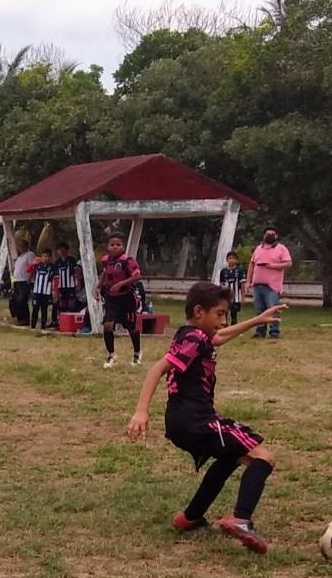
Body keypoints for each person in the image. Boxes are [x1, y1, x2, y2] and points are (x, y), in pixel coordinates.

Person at [126, 282, 288, 553]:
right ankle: (241, 519)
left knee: (228, 456)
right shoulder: (194, 339)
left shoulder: (192, 335)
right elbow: (157, 369)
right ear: (199, 312)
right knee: (263, 457)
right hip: (196, 420)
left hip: (182, 424)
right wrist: (141, 410)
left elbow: (220, 337)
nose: (223, 320)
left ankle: (189, 517)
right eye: (220, 314)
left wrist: (257, 320)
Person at [95, 233, 143, 368]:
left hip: (126, 298)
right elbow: (104, 274)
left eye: (118, 244)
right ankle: (111, 355)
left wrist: (121, 284)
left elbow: (137, 276)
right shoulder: (105, 261)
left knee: (131, 327)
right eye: (112, 245)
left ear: (123, 246)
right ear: (108, 247)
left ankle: (137, 353)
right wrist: (98, 287)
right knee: (108, 324)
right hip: (111, 298)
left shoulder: (128, 261)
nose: (115, 247)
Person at [245, 226, 292, 339]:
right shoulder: (258, 248)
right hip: (257, 285)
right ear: (263, 235)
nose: (269, 236)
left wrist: (272, 266)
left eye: (272, 234)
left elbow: (289, 263)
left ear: (276, 236)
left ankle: (274, 332)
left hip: (272, 286)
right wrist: (248, 281)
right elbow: (251, 265)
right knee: (259, 310)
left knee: (273, 309)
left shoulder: (281, 248)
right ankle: (260, 332)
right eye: (267, 234)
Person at [52, 242, 82, 327]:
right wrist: (55, 290)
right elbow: (55, 277)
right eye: (59, 250)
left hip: (71, 286)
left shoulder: (71, 260)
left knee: (71, 303)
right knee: (61, 304)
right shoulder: (57, 262)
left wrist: (78, 284)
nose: (61, 252)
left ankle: (71, 322)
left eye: (63, 250)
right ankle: (62, 322)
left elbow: (77, 273)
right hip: (61, 287)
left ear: (67, 250)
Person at [30, 250, 57, 331]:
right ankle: (33, 326)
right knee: (35, 308)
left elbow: (55, 279)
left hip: (46, 292)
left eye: (47, 256)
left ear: (50, 257)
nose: (45, 258)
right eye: (43, 256)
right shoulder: (37, 265)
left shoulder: (52, 267)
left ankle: (43, 326)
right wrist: (33, 263)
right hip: (36, 292)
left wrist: (54, 291)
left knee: (44, 309)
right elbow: (28, 270)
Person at [10, 238, 34, 326]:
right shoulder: (20, 257)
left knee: (22, 300)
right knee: (16, 300)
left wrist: (30, 278)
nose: (20, 248)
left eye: (21, 246)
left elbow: (32, 266)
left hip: (25, 280)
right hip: (17, 280)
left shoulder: (29, 254)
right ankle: (20, 317)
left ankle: (25, 318)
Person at [219, 251, 246, 325]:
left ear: (237, 260)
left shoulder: (240, 271)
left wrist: (243, 296)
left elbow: (243, 284)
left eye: (233, 258)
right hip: (226, 297)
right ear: (227, 260)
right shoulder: (223, 271)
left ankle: (234, 326)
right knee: (225, 312)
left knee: (234, 313)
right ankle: (225, 326)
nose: (231, 260)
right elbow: (221, 283)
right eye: (230, 258)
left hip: (236, 297)